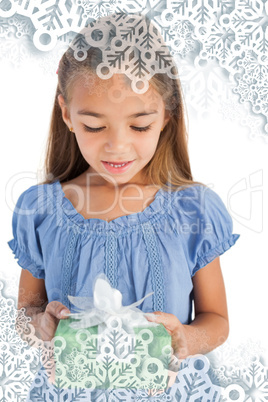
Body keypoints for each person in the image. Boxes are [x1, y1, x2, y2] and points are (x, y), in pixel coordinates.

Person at [8, 12, 240, 400]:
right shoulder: (41, 209)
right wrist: (39, 325)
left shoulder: (192, 211)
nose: (117, 146)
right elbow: (26, 311)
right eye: (95, 126)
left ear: (166, 115)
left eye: (139, 125)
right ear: (67, 114)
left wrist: (185, 338)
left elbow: (216, 320)